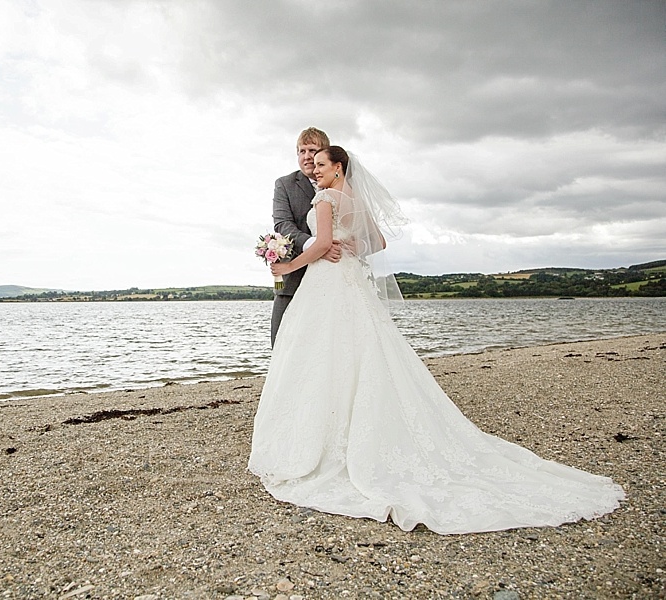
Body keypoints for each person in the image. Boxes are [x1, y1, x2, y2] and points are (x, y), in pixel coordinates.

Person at [248, 145, 625, 534]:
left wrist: (287, 264)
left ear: (338, 167)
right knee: (361, 351)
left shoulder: (326, 197)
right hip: (351, 283)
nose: (316, 170)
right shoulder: (356, 198)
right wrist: (350, 248)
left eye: (322, 164)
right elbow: (377, 242)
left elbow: (323, 244)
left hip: (328, 281)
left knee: (323, 353)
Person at [271, 127, 342, 347]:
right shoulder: (284, 184)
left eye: (312, 150)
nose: (306, 156)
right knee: (283, 344)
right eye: (301, 151)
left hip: (334, 277)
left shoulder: (342, 187)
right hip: (292, 277)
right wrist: (318, 245)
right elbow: (283, 224)